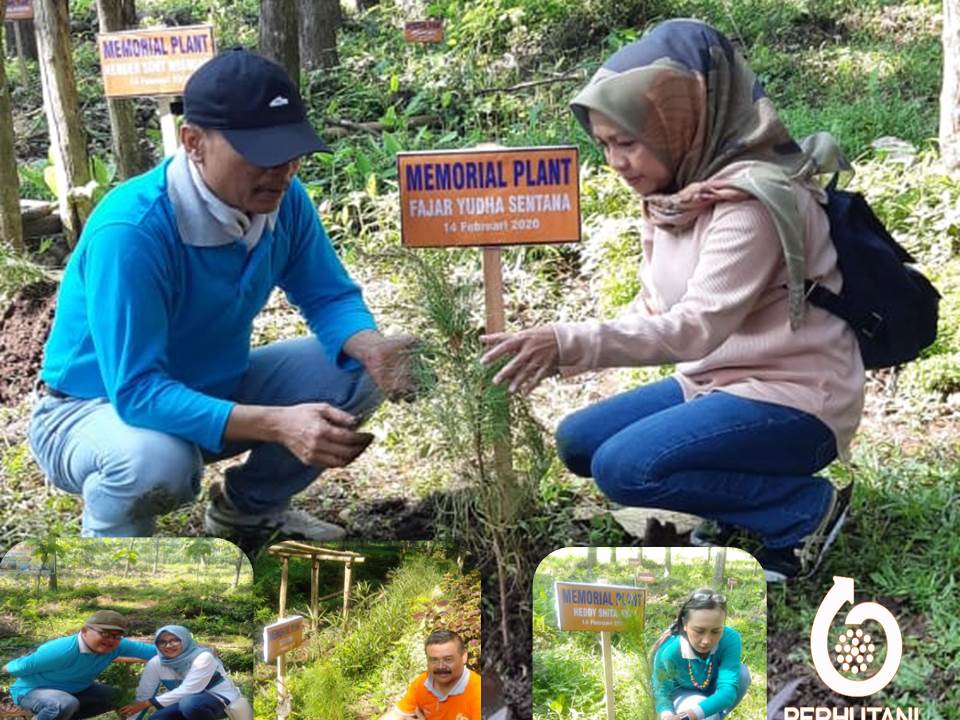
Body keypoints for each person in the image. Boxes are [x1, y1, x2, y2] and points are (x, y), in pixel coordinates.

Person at [480, 18, 864, 581]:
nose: (616, 162)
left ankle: (800, 511)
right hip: (716, 381)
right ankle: (742, 498)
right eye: (605, 144)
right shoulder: (674, 197)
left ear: (679, 125)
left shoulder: (750, 201)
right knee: (580, 442)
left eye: (629, 142)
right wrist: (561, 349)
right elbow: (655, 311)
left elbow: (693, 329)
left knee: (625, 467)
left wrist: (570, 343)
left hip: (798, 397)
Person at [27, 49, 418, 541]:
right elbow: (137, 392)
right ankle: (112, 560)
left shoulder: (284, 203)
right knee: (154, 461)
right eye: (260, 153)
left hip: (210, 389)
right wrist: (278, 423)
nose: (281, 169)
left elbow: (328, 296)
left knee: (356, 367)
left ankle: (248, 513)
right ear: (194, 142)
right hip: (91, 411)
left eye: (291, 150)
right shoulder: (133, 230)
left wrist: (372, 348)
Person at [3, 610, 156, 720]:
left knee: (118, 697)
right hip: (33, 691)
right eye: (104, 634)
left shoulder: (119, 645)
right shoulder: (61, 651)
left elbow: (155, 651)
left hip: (78, 689)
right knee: (62, 704)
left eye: (116, 636)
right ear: (84, 631)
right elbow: (16, 668)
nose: (110, 640)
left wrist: (174, 646)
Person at [651, 588, 750, 720]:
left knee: (742, 674)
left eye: (716, 631)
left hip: (715, 687)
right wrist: (667, 715)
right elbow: (662, 690)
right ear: (685, 625)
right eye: (699, 631)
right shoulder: (670, 650)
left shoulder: (730, 639)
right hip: (684, 693)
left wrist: (689, 716)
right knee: (705, 714)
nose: (706, 641)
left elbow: (728, 690)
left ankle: (716, 715)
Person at [120, 625, 249, 720]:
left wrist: (148, 703)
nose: (168, 645)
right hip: (183, 702)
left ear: (185, 640)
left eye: (175, 640)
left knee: (191, 705)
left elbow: (189, 689)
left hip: (218, 698)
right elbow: (144, 694)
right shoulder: (156, 663)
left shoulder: (203, 657)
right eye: (162, 642)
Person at [379, 630, 480, 720]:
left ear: (464, 657)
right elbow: (397, 714)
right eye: (434, 660)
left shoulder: (479, 692)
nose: (441, 666)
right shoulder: (423, 683)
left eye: (448, 659)